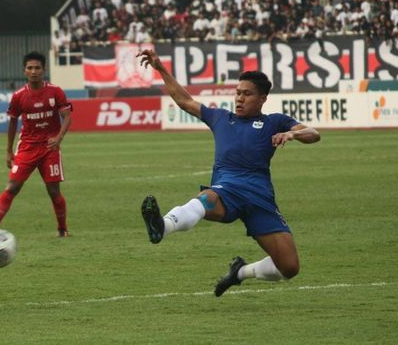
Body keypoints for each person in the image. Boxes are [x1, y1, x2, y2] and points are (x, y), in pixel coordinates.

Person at [137, 49, 320, 297]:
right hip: (228, 189)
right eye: (238, 93)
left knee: (289, 267)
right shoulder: (221, 118)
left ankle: (240, 272)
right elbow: (184, 100)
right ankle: (163, 225)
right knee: (207, 199)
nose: (240, 98)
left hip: (260, 198)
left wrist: (292, 133)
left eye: (247, 94)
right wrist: (161, 68)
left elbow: (314, 133)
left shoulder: (274, 122)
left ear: (263, 98)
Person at [0, 52, 73, 237]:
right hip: (27, 147)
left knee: (54, 191)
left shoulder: (55, 92)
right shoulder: (19, 96)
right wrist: (8, 151)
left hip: (49, 148)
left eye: (37, 68)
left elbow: (67, 116)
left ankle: (62, 229)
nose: (33, 72)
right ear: (24, 71)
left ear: (44, 70)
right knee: (12, 186)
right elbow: (13, 122)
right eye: (30, 68)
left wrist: (58, 138)